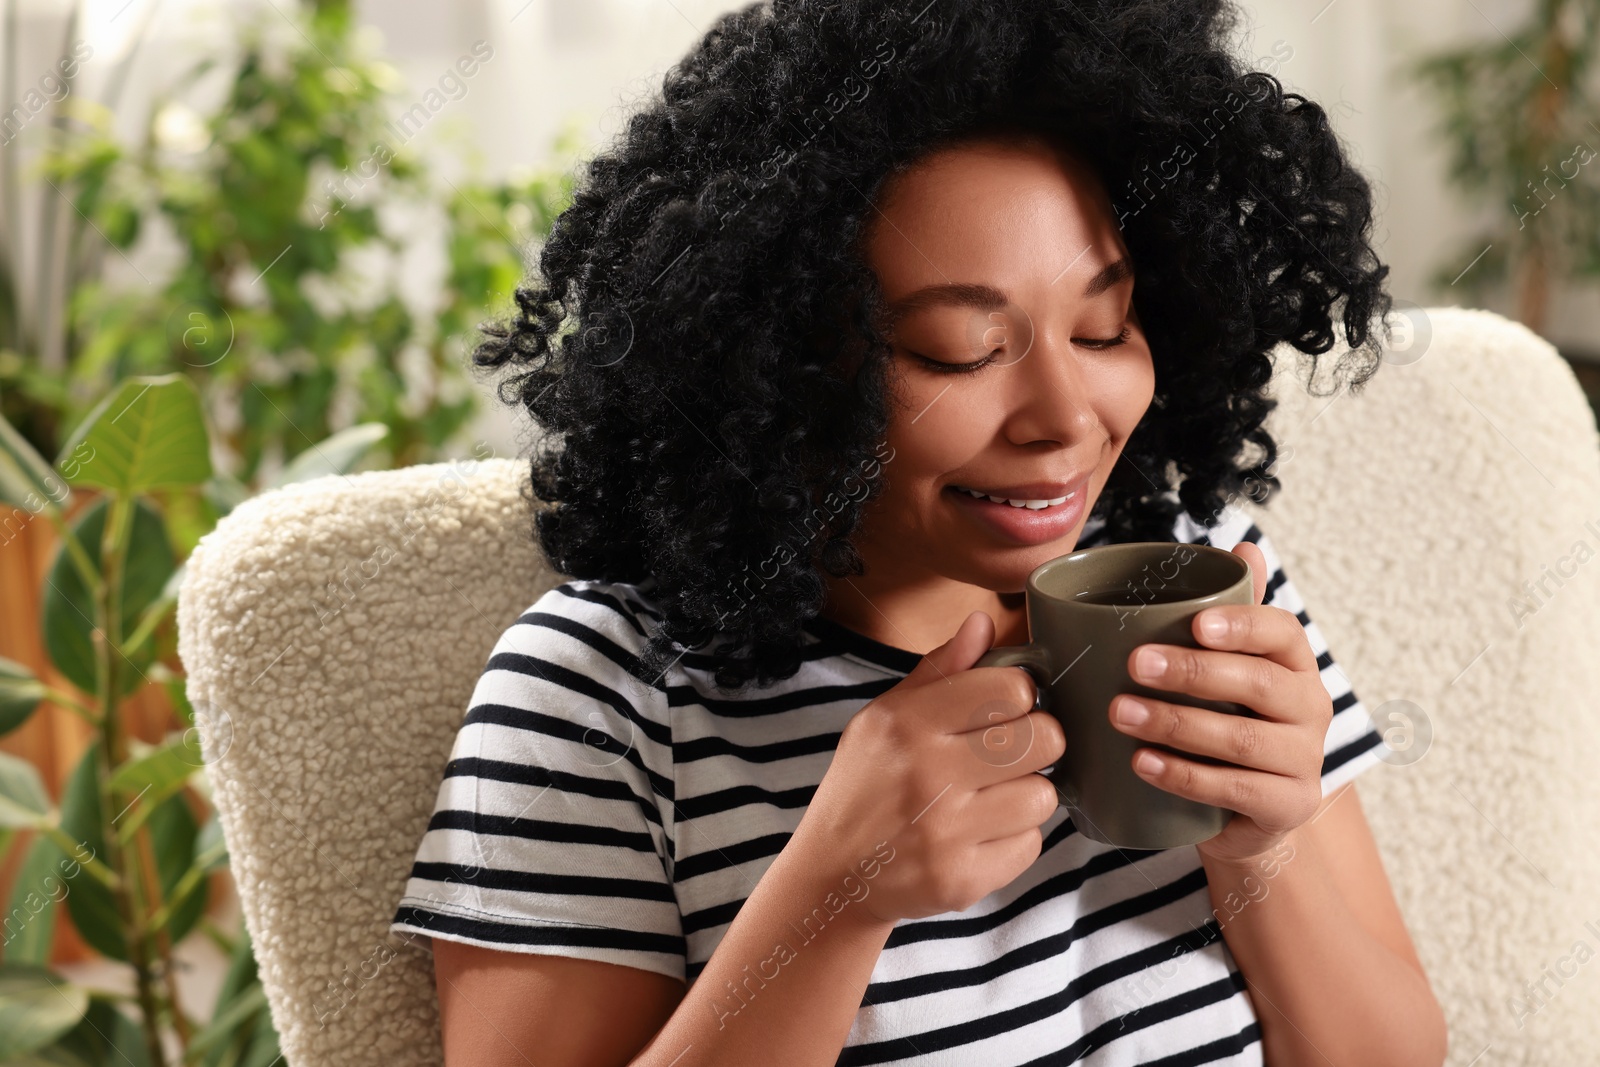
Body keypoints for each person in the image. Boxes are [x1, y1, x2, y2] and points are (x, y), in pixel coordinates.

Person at [390, 1, 1447, 1063]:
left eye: (1103, 328)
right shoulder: (602, 695)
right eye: (956, 349)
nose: (1066, 419)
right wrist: (832, 898)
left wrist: (1268, 841)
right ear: (781, 367)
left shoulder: (1193, 571)